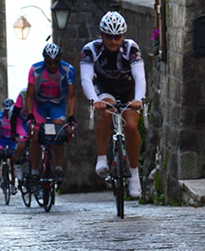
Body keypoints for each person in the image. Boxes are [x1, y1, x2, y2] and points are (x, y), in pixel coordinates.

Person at [80, 11, 146, 198]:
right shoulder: (90, 50)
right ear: (102, 36)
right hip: (105, 88)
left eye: (117, 37)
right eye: (109, 37)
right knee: (106, 113)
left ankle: (134, 174)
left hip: (127, 89)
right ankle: (102, 158)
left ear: (123, 37)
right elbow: (86, 79)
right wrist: (95, 100)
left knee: (132, 126)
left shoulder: (131, 48)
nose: (113, 41)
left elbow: (139, 76)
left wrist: (139, 99)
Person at [25, 42, 77, 185]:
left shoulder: (68, 70)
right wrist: (30, 115)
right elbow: (29, 95)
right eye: (49, 62)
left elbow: (72, 96)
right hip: (39, 104)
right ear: (45, 60)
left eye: (56, 62)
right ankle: (35, 171)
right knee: (36, 134)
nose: (53, 65)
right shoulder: (35, 70)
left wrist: (71, 117)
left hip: (57, 104)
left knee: (59, 133)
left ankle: (58, 167)